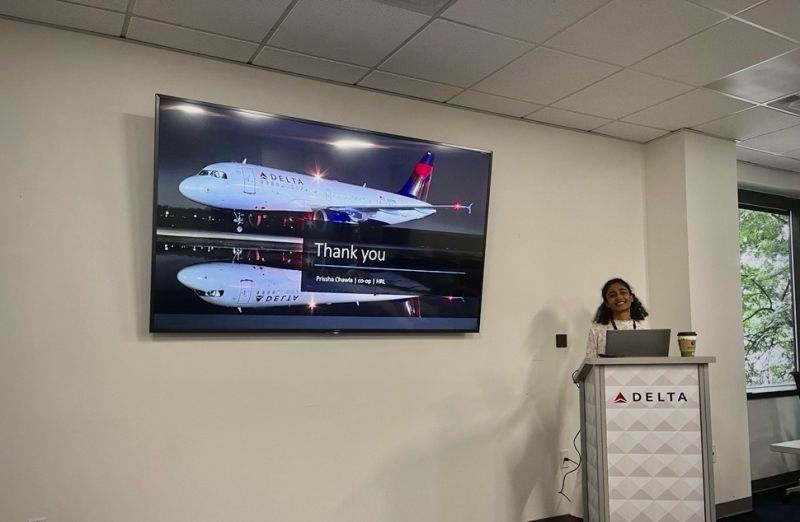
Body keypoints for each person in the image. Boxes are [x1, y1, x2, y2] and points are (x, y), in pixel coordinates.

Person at [585, 278, 649, 357]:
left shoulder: (643, 329)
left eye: (623, 292)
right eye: (612, 295)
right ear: (607, 303)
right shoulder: (597, 330)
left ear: (631, 297)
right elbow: (590, 362)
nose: (619, 297)